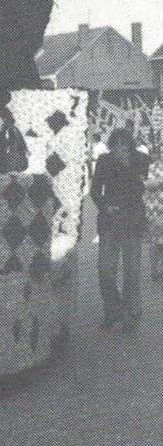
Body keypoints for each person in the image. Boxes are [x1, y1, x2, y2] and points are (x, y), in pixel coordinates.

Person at [90, 127, 149, 331]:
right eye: (116, 144)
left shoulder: (140, 159)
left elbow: (141, 189)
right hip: (110, 221)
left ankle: (130, 314)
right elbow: (95, 190)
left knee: (131, 272)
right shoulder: (104, 160)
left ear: (130, 145)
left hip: (133, 220)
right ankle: (113, 310)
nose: (120, 148)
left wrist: (126, 165)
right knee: (105, 270)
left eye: (124, 144)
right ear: (111, 144)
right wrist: (105, 206)